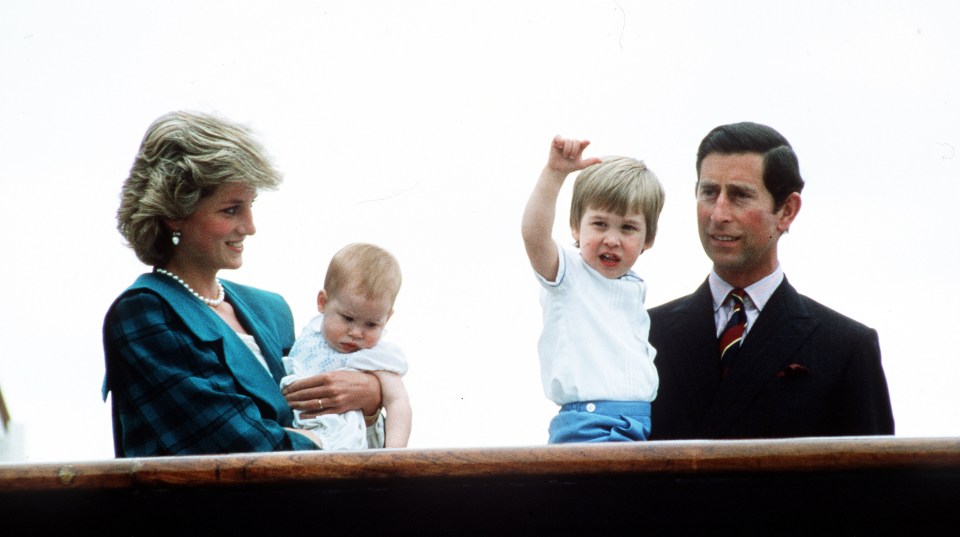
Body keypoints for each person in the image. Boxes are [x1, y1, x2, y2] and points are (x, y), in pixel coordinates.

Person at [102, 111, 382, 457]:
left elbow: (325, 420)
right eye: (231, 210)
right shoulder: (144, 313)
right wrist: (325, 444)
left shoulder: (271, 311)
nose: (250, 227)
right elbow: (233, 444)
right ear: (174, 212)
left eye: (250, 206)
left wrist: (370, 397)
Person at [648, 121, 895, 440]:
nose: (718, 213)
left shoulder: (845, 347)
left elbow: (876, 486)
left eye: (739, 196)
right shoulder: (643, 334)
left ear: (787, 211)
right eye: (709, 192)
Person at [522, 135, 665, 443]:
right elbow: (534, 235)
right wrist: (554, 174)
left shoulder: (634, 286)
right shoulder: (569, 273)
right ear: (576, 226)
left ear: (648, 239)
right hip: (589, 423)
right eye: (600, 224)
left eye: (627, 228)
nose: (611, 239)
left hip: (638, 423)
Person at [280, 243, 412, 449]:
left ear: (387, 318)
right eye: (348, 318)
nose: (356, 333)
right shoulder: (311, 334)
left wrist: (394, 454)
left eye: (371, 324)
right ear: (323, 302)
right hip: (297, 422)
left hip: (339, 440)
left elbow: (398, 402)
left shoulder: (375, 355)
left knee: (277, 442)